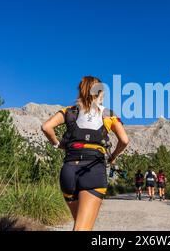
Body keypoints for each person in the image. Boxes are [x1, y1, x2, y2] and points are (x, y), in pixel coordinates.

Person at [41, 76, 129, 231]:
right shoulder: (108, 114)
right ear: (100, 93)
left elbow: (46, 127)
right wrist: (113, 156)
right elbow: (124, 140)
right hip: (92, 171)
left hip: (68, 171)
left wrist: (58, 144)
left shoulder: (69, 111)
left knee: (81, 225)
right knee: (82, 229)